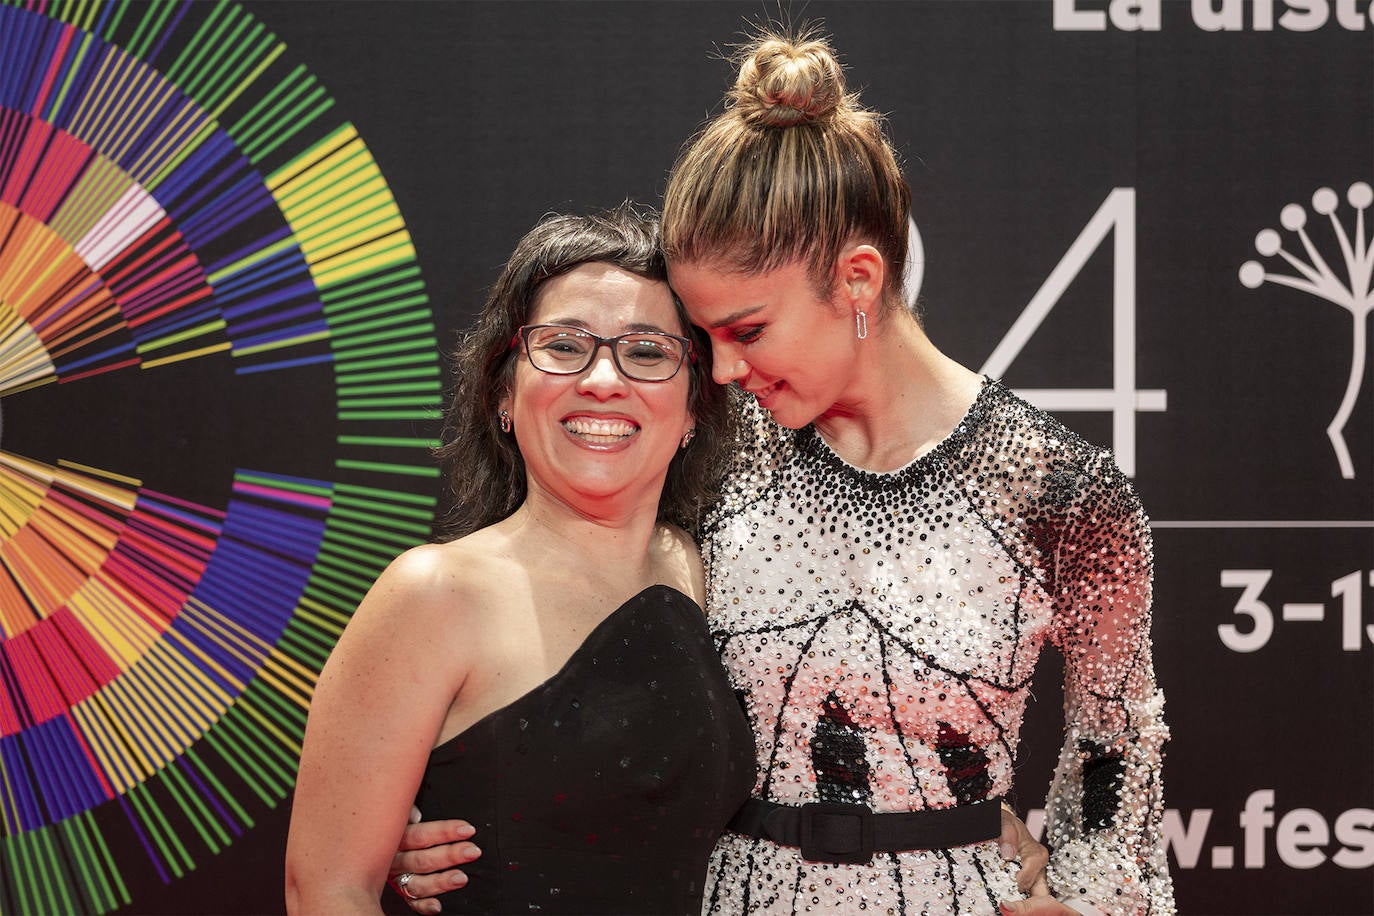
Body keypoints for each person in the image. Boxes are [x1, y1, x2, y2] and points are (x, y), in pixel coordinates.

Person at [390, 27, 1174, 916]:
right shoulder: (711, 449)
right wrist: (442, 814)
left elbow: (1116, 742)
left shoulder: (1061, 491)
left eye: (748, 331)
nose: (720, 372)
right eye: (704, 336)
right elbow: (558, 627)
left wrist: (1089, 900)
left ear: (859, 280)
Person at [284, 206, 756, 915]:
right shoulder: (434, 594)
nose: (603, 379)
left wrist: (983, 820)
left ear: (694, 408)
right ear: (504, 393)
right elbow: (325, 889)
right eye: (564, 345)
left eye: (648, 352)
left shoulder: (698, 568)